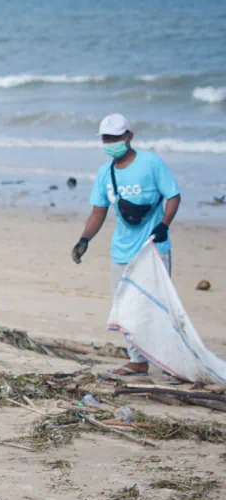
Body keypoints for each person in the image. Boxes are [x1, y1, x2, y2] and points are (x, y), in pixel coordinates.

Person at [71, 114, 182, 379]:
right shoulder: (104, 174)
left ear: (129, 136)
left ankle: (171, 361)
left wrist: (164, 225)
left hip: (154, 248)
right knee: (125, 308)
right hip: (121, 251)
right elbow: (98, 212)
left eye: (115, 137)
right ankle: (137, 361)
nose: (110, 143)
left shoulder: (151, 163)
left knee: (157, 306)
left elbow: (173, 195)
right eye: (106, 138)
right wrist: (84, 239)